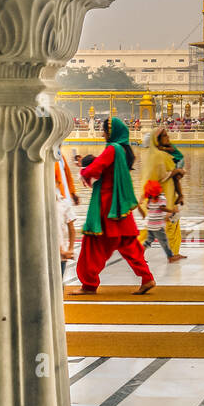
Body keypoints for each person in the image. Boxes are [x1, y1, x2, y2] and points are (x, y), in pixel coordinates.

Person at [76, 116, 155, 294]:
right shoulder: (122, 151)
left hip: (106, 205)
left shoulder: (112, 148)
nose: (103, 134)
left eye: (104, 130)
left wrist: (83, 171)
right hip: (120, 206)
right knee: (127, 243)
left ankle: (88, 284)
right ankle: (147, 278)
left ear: (111, 132)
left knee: (93, 243)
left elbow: (96, 168)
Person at [140, 126, 187, 261]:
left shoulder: (163, 154)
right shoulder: (157, 156)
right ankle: (136, 250)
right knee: (157, 228)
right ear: (158, 140)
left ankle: (174, 253)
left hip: (169, 192)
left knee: (173, 224)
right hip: (161, 195)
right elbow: (159, 176)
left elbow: (172, 172)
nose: (168, 138)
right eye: (165, 136)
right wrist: (176, 172)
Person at [140, 178, 176, 264]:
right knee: (164, 242)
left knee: (148, 241)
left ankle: (139, 255)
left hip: (150, 225)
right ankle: (170, 257)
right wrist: (171, 211)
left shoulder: (150, 200)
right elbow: (162, 207)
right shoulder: (161, 198)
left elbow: (148, 208)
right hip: (158, 226)